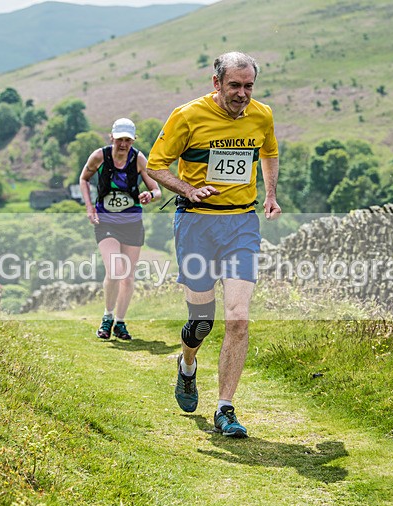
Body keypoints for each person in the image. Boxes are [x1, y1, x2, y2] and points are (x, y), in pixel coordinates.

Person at [147, 51, 280, 438]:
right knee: (202, 321)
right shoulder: (187, 116)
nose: (243, 94)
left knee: (238, 317)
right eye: (235, 85)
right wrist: (188, 188)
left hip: (241, 223)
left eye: (249, 86)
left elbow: (269, 152)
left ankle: (225, 409)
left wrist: (270, 194)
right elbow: (156, 165)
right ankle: (187, 364)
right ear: (216, 83)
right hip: (196, 224)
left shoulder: (262, 114)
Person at [79, 118, 161, 340]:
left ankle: (120, 322)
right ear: (111, 138)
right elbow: (84, 179)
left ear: (133, 140)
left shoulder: (138, 159)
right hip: (106, 222)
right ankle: (107, 317)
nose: (123, 144)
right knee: (115, 269)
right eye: (119, 139)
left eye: (128, 140)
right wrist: (89, 207)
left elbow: (157, 190)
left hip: (132, 223)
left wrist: (149, 195)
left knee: (127, 277)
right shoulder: (100, 156)